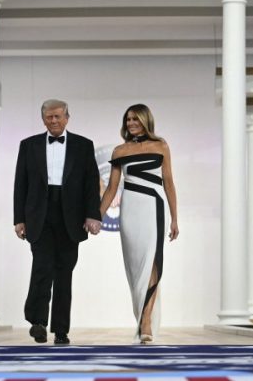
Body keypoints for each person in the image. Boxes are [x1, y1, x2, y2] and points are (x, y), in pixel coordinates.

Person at [14, 99, 102, 345]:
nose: (53, 121)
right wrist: (19, 218)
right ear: (43, 119)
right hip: (38, 215)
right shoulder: (28, 145)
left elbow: (90, 183)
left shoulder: (84, 146)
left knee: (64, 272)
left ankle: (61, 330)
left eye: (58, 117)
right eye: (49, 117)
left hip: (70, 216)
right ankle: (38, 322)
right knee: (42, 267)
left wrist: (93, 214)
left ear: (67, 118)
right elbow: (20, 184)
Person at [99, 104, 179, 344]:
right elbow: (112, 188)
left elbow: (169, 183)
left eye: (135, 119)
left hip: (154, 208)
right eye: (128, 120)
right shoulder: (119, 151)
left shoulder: (161, 146)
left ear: (145, 120)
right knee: (135, 268)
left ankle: (146, 322)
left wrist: (175, 218)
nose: (131, 123)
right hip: (130, 210)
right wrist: (96, 216)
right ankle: (142, 318)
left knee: (151, 262)